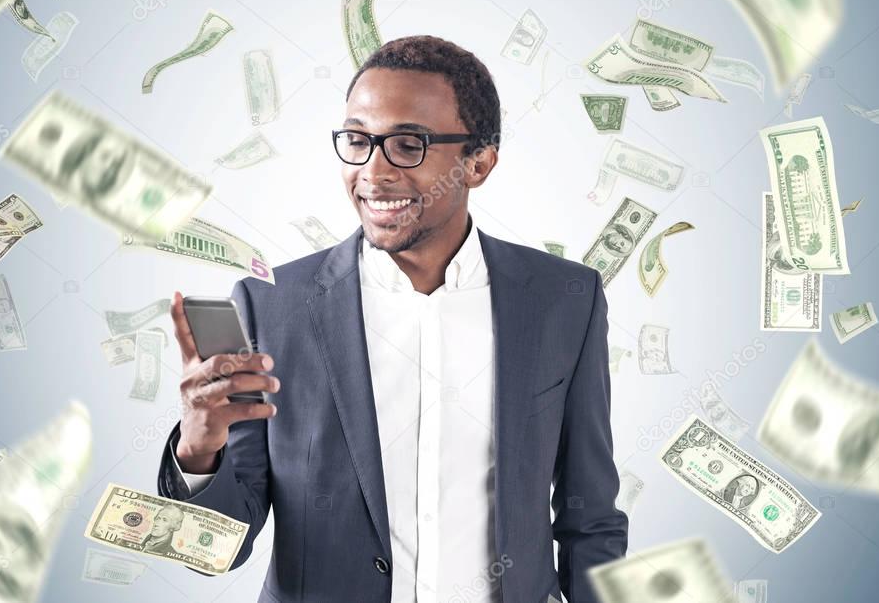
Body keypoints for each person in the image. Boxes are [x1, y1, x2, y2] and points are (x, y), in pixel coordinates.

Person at [156, 35, 628, 602]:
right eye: (358, 141)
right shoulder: (272, 306)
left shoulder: (563, 299)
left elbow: (590, 518)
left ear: (477, 164)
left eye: (408, 145)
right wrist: (199, 448)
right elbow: (217, 552)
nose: (374, 173)